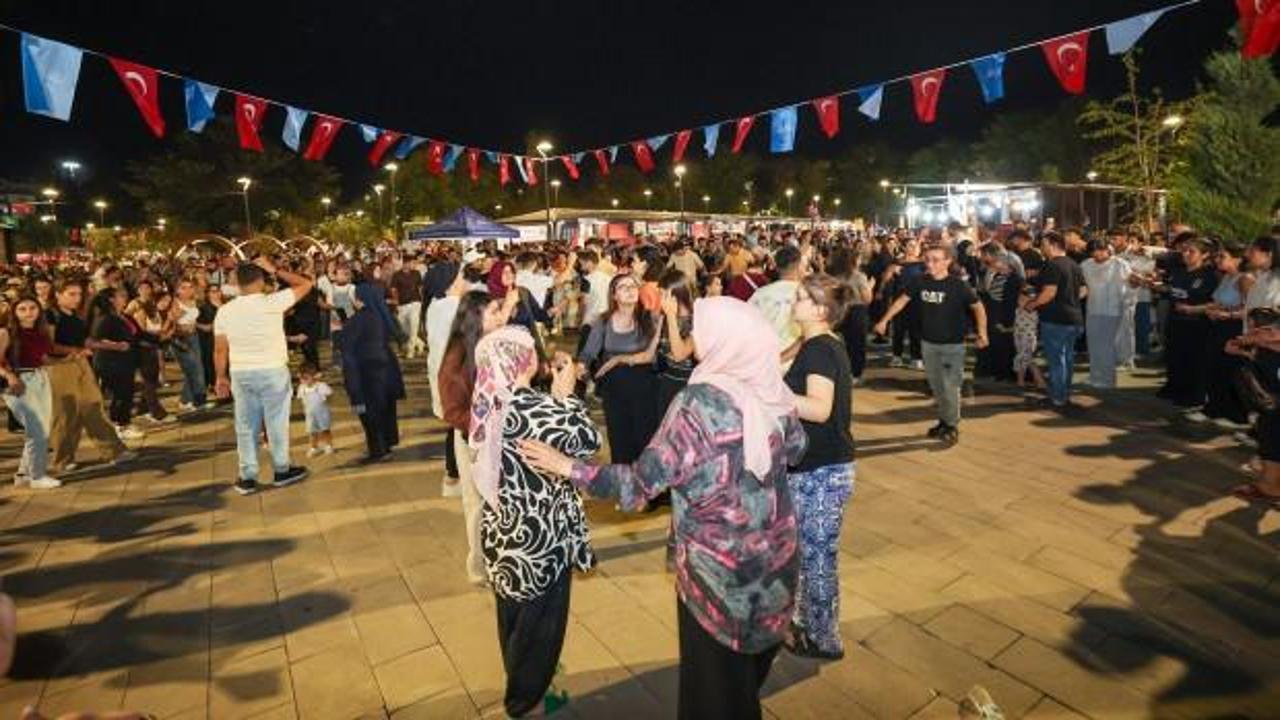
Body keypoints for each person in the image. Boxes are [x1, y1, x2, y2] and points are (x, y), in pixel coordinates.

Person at [521, 297, 807, 720]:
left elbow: (640, 484)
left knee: (714, 697)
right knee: (745, 682)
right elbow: (797, 448)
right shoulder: (771, 390)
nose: (694, 337)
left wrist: (568, 468)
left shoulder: (699, 405)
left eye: (702, 330)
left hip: (719, 578)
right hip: (776, 567)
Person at [471, 328, 600, 717]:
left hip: (503, 532)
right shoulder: (535, 407)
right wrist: (568, 398)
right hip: (541, 538)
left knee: (513, 619)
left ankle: (526, 683)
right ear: (523, 360)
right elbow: (588, 441)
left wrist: (556, 400)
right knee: (541, 625)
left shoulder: (488, 401)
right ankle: (525, 700)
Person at [784, 274, 856, 660]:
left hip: (822, 470)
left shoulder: (820, 350)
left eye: (801, 297)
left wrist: (771, 393)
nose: (793, 302)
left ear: (821, 310)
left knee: (817, 559)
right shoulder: (819, 343)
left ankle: (825, 639)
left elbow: (818, 408)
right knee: (805, 554)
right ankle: (804, 622)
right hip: (814, 466)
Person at [213, 257, 312, 495]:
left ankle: (247, 476)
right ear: (260, 281)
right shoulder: (272, 302)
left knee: (246, 425)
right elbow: (306, 284)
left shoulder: (225, 311)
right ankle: (281, 469)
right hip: (272, 370)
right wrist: (275, 269)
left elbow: (220, 349)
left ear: (237, 284)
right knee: (276, 423)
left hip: (241, 372)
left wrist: (220, 377)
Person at [875, 245, 989, 444]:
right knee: (937, 387)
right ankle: (944, 421)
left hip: (952, 346)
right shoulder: (920, 281)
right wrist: (884, 320)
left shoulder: (958, 285)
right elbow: (902, 301)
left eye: (935, 260)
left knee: (950, 387)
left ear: (947, 262)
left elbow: (978, 307)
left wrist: (982, 332)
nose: (930, 263)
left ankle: (951, 425)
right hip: (928, 344)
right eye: (927, 259)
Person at [441, 289, 516, 583]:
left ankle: (503, 556)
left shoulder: (495, 345)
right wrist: (486, 426)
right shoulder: (458, 355)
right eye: (494, 312)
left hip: (504, 437)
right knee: (477, 505)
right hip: (473, 441)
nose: (500, 317)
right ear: (475, 317)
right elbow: (452, 411)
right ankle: (479, 567)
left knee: (501, 501)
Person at [45, 279, 134, 473]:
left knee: (93, 406)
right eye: (71, 294)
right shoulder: (50, 315)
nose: (77, 298)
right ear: (58, 295)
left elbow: (87, 341)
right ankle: (62, 459)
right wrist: (74, 351)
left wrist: (113, 346)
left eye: (79, 294)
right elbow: (49, 345)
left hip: (81, 364)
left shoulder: (77, 317)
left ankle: (114, 451)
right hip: (59, 367)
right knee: (66, 414)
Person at [577, 274, 660, 465]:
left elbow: (655, 354)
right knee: (620, 438)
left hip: (644, 387)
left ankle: (647, 479)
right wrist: (581, 366)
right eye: (623, 287)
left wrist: (623, 360)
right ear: (614, 295)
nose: (630, 290)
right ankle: (623, 477)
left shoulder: (649, 318)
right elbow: (588, 353)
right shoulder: (604, 321)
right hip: (615, 389)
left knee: (645, 437)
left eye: (633, 286)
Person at [0, 296, 62, 489]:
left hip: (40, 378)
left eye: (32, 308)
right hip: (18, 382)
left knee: (40, 430)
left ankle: (23, 474)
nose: (28, 312)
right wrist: (10, 376)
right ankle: (37, 476)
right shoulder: (6, 332)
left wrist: (68, 359)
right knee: (37, 431)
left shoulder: (41, 331)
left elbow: (43, 358)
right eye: (22, 309)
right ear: (14, 312)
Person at [341, 283, 406, 463]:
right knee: (386, 410)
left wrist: (351, 385)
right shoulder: (383, 316)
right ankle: (387, 444)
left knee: (368, 412)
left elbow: (348, 354)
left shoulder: (356, 321)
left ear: (359, 300)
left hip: (366, 374)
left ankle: (378, 450)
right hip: (387, 371)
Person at [1025, 232, 1087, 409]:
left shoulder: (1052, 265)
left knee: (1056, 360)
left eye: (1043, 244)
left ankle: (1057, 397)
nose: (1041, 248)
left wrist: (1032, 304)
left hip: (1056, 320)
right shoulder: (1074, 264)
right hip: (1074, 318)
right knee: (1067, 358)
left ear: (1053, 245)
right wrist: (1069, 299)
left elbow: (1049, 292)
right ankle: (1063, 394)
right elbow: (1084, 290)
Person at [1159, 235, 1219, 412]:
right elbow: (1172, 291)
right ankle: (1175, 389)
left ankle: (1193, 397)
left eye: (1191, 251)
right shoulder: (1179, 272)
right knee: (1174, 357)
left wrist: (1193, 309)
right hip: (1175, 321)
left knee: (1194, 361)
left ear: (1205, 255)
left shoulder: (1210, 276)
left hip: (1197, 325)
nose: (1185, 254)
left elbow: (1214, 302)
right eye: (1184, 250)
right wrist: (1155, 286)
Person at [88, 287, 147, 440]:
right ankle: (119, 425)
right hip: (111, 362)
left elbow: (138, 334)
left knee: (127, 392)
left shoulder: (123, 316)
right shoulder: (105, 318)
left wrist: (159, 337)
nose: (124, 298)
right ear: (111, 300)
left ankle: (124, 422)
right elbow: (95, 340)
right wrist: (116, 345)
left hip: (126, 361)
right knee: (120, 394)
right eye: (120, 296)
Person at [427, 266, 465, 497]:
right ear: (450, 283)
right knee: (460, 429)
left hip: (444, 376)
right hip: (455, 377)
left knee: (455, 427)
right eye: (460, 277)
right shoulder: (453, 307)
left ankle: (452, 475)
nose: (464, 280)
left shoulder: (435, 305)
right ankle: (454, 477)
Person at [1079, 239, 1132, 390]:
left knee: (1107, 345)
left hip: (1112, 310)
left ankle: (1107, 379)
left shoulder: (1119, 264)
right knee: (1093, 344)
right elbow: (1082, 286)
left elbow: (1130, 285)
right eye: (1094, 252)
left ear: (1108, 250)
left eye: (1101, 251)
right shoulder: (1086, 264)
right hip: (1093, 308)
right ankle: (1095, 376)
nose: (1098, 255)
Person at [975, 244, 1022, 382]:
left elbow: (1010, 303)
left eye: (997, 262)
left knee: (1004, 346)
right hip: (995, 313)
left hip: (1003, 316)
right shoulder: (997, 275)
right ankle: (996, 372)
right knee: (997, 344)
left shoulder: (1014, 280)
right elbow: (985, 291)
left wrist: (1005, 322)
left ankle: (1005, 374)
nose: (994, 264)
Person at [750, 245, 805, 361]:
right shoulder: (807, 295)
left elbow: (748, 328)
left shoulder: (759, 294)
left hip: (764, 360)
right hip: (797, 362)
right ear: (800, 266)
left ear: (777, 267)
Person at [827, 247, 873, 385]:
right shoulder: (859, 276)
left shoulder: (834, 276)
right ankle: (856, 374)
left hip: (840, 311)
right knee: (857, 345)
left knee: (843, 344)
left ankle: (841, 371)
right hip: (857, 311)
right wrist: (870, 286)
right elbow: (867, 299)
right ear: (853, 261)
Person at [171, 278, 212, 412]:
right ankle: (189, 400)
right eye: (184, 287)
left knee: (198, 369)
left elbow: (195, 320)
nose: (188, 290)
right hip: (181, 339)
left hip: (194, 337)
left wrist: (199, 326)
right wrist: (180, 325)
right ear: (178, 290)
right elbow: (171, 323)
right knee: (191, 369)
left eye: (190, 287)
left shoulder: (196, 301)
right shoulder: (175, 303)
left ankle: (193, 400)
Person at [296, 362, 335, 457]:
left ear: (314, 376)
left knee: (325, 430)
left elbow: (330, 394)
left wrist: (325, 403)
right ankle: (313, 447)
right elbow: (301, 399)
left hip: (322, 414)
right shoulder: (301, 388)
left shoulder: (321, 386)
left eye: (306, 378)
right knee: (312, 432)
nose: (304, 381)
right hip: (310, 415)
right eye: (301, 378)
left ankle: (328, 445)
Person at [390, 256, 425, 358]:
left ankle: (411, 351)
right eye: (412, 263)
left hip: (415, 303)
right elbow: (393, 289)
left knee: (414, 327)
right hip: (402, 304)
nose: (413, 265)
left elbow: (420, 287)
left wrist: (422, 301)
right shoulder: (397, 275)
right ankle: (420, 343)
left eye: (414, 263)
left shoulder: (416, 273)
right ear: (405, 263)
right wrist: (396, 302)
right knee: (403, 328)